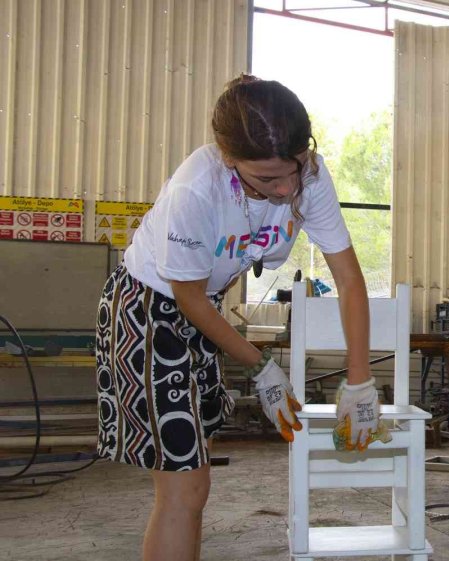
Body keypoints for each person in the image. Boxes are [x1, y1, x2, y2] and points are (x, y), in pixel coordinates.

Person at [95, 75, 382, 561]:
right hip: (146, 314)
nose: (286, 187)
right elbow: (186, 297)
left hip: (204, 311)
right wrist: (261, 367)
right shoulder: (198, 188)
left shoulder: (309, 175)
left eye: (292, 169)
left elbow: (350, 280)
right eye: (267, 180)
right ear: (229, 159)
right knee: (184, 489)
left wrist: (359, 380)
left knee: (192, 486)